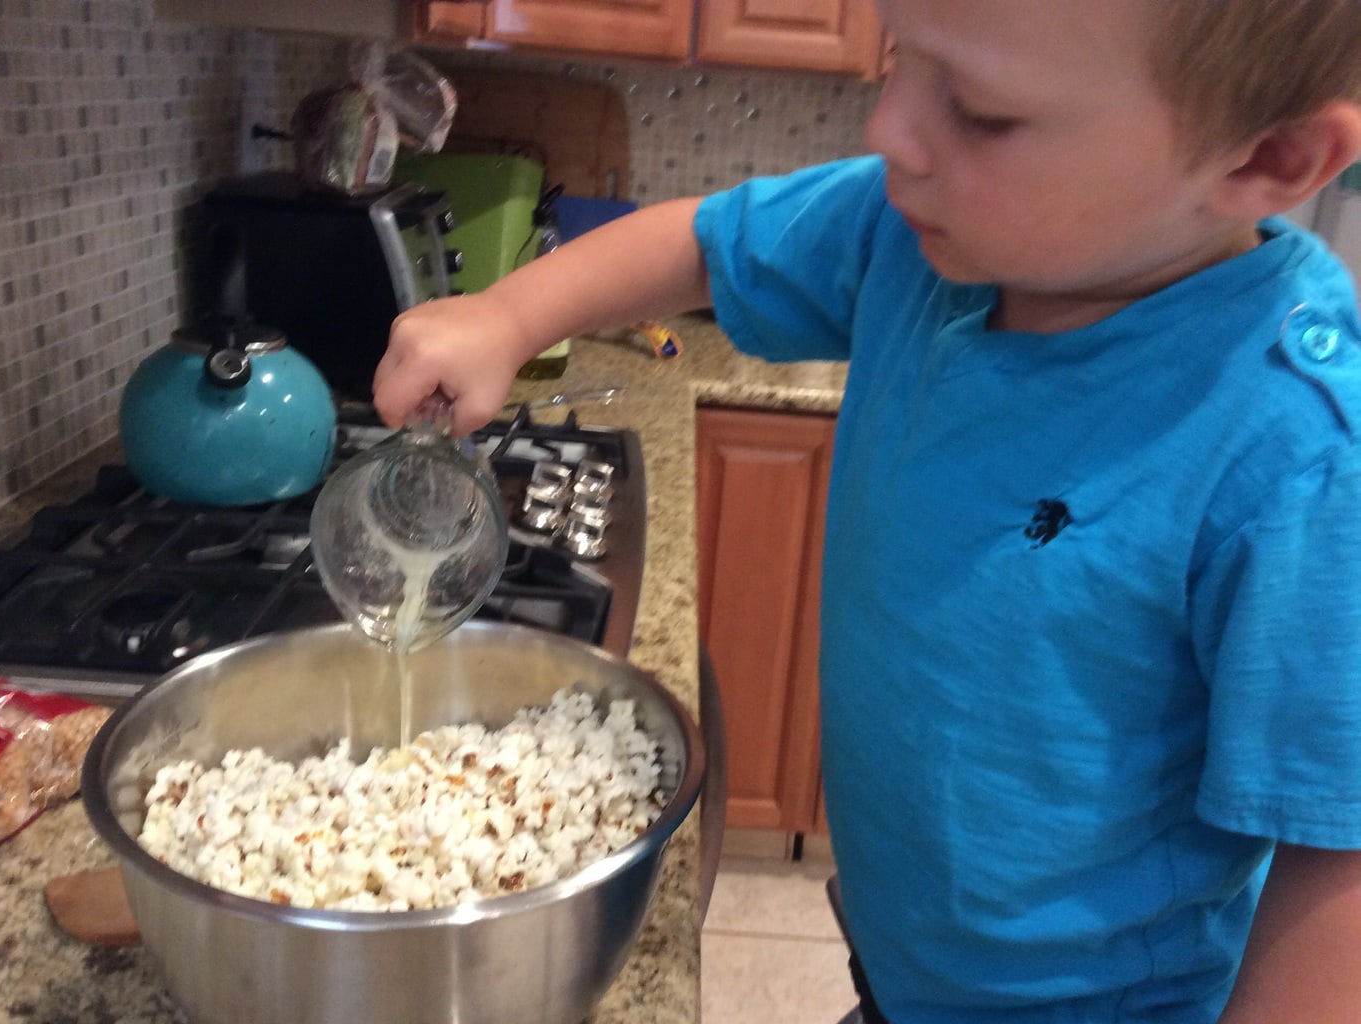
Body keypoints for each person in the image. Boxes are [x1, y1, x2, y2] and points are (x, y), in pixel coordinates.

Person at [373, 0, 1361, 1020]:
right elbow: (712, 246)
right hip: (896, 982)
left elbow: (1339, 862)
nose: (887, 128)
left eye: (978, 109)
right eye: (898, 59)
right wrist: (506, 314)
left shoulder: (1295, 452)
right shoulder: (916, 238)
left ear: (1272, 159)